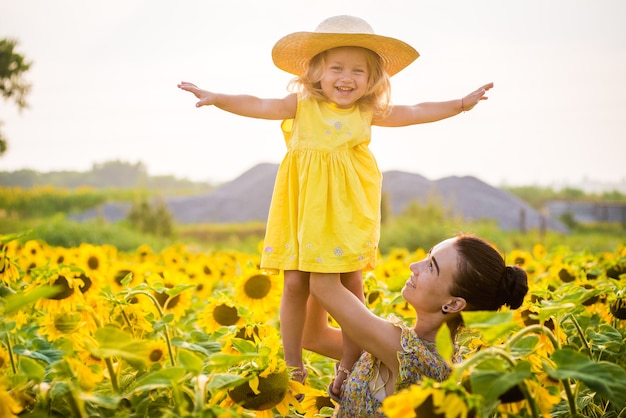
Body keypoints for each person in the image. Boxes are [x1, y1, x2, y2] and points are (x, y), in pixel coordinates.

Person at [178, 14, 494, 400]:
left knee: (350, 283)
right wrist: (218, 98)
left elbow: (414, 112)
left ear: (372, 78)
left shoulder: (366, 111)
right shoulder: (302, 104)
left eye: (358, 71)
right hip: (302, 211)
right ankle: (293, 361)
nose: (347, 77)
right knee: (294, 282)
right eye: (337, 68)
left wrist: (460, 104)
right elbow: (259, 103)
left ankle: (348, 363)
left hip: (348, 211)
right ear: (316, 73)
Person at [306, 234, 529, 417]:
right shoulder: (402, 344)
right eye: (427, 255)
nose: (414, 266)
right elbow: (313, 337)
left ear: (453, 304)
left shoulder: (419, 359)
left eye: (431, 267)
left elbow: (324, 286)